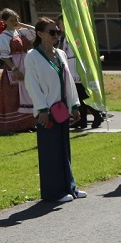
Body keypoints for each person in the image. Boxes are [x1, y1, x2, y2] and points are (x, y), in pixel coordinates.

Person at [23, 18, 84, 203]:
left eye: (57, 31)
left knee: (64, 149)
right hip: (47, 111)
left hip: (62, 109)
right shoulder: (32, 55)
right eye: (52, 32)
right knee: (50, 152)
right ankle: (53, 192)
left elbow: (69, 81)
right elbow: (31, 84)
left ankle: (69, 187)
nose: (56, 35)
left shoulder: (60, 54)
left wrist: (74, 105)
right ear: (40, 34)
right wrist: (41, 108)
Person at [0, 8, 35, 133]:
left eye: (16, 19)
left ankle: (30, 123)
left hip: (25, 66)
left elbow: (35, 31)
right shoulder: (4, 36)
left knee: (28, 93)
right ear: (4, 22)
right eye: (12, 20)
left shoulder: (20, 32)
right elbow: (4, 56)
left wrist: (21, 25)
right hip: (14, 68)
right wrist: (15, 70)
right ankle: (18, 125)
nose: (15, 22)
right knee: (15, 96)